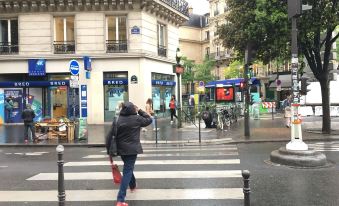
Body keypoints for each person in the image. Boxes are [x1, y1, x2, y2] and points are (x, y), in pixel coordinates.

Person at [110, 102, 152, 206]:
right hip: (132, 150)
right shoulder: (137, 119)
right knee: (128, 170)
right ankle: (120, 199)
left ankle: (132, 185)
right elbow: (149, 119)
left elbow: (111, 135)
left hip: (121, 150)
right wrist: (140, 110)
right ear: (133, 109)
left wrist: (109, 150)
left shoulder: (118, 119)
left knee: (128, 168)